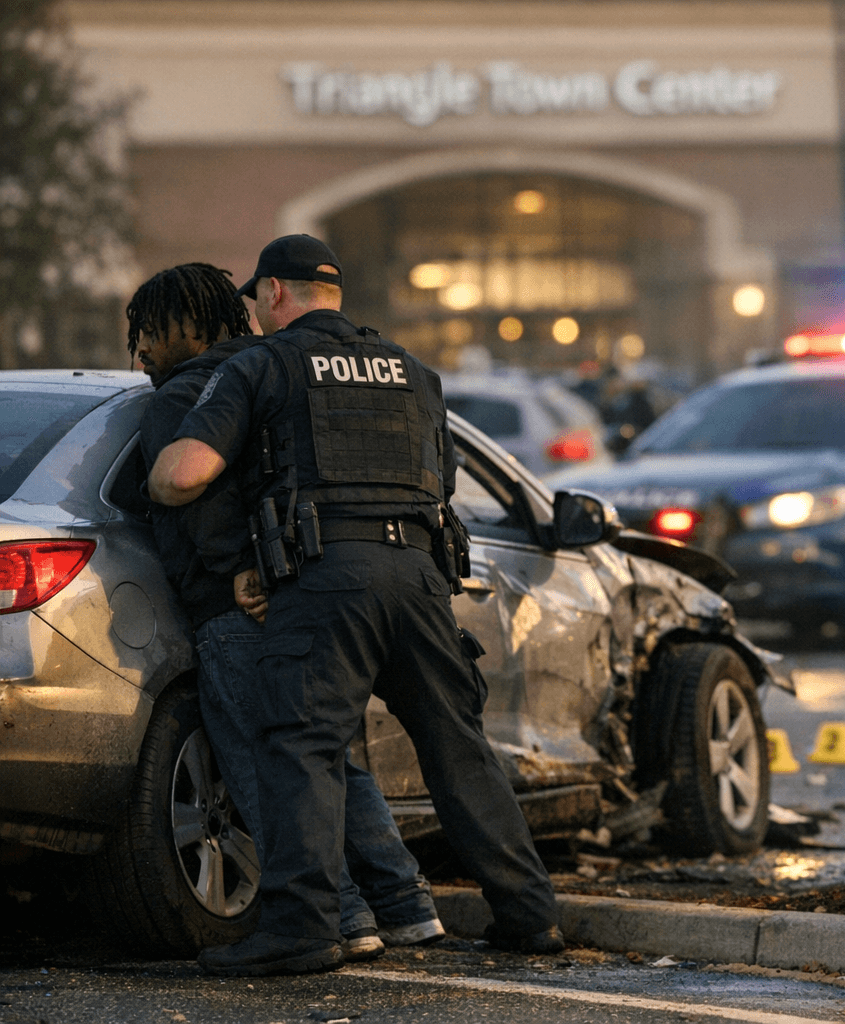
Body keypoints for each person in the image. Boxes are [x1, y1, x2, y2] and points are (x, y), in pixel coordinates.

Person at [147, 235, 561, 977]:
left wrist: (163, 483)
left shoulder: (261, 364)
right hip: (420, 577)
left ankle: (303, 930)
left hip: (324, 579)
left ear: (275, 293)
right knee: (457, 748)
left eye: (257, 298)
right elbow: (443, 483)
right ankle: (530, 917)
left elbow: (185, 473)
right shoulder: (414, 373)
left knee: (300, 748)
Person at [128, 263, 445, 962]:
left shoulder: (186, 395)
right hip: (318, 591)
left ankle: (336, 918)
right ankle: (403, 904)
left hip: (235, 605)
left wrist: (236, 570)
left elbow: (198, 499)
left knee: (263, 763)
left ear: (195, 323)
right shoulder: (291, 375)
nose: (139, 350)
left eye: (150, 330)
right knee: (324, 758)